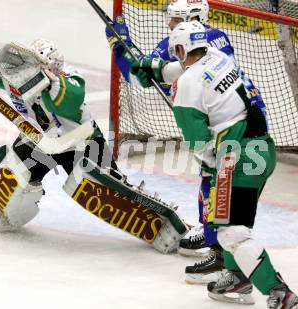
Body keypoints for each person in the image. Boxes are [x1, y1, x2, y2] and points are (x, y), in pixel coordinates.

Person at [130, 20, 298, 309]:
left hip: (238, 156)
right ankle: (237, 276)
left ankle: (279, 292)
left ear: (182, 49)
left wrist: (212, 168)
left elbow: (198, 144)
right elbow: (185, 68)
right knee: (235, 223)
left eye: (177, 51)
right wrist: (156, 69)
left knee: (231, 232)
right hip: (261, 148)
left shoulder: (187, 86)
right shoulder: (219, 57)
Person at [0, 38, 186, 254]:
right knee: (12, 175)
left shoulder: (70, 78)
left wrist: (44, 80)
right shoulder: (15, 71)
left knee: (110, 193)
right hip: (39, 140)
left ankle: (161, 223)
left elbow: (62, 99)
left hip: (81, 142)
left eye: (54, 69)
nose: (53, 71)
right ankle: (1, 206)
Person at [105, 0, 268, 284]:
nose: (169, 27)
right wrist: (128, 49)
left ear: (193, 19)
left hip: (234, 122)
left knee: (218, 179)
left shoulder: (210, 41)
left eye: (174, 21)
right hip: (229, 117)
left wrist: (125, 49)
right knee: (213, 179)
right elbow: (150, 72)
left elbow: (161, 72)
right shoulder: (191, 42)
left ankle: (224, 254)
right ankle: (217, 240)